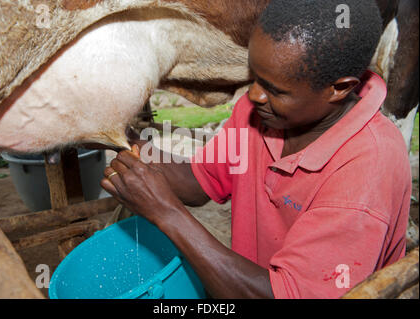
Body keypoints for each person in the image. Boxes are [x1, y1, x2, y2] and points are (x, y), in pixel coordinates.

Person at [100, 0, 412, 299]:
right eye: (255, 78)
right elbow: (200, 182)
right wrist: (132, 148)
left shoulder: (366, 169)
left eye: (275, 89)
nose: (253, 95)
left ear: (339, 88)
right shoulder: (262, 112)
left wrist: (166, 212)